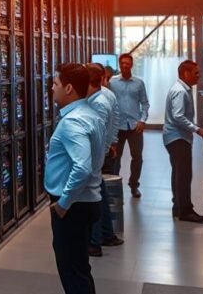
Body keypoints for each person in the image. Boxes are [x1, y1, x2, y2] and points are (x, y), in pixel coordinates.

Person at [45, 63, 105, 294]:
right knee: (79, 268)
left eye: (56, 83)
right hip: (88, 200)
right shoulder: (90, 114)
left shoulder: (73, 122)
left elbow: (82, 167)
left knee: (72, 272)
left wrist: (63, 203)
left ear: (69, 88)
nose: (52, 87)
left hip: (74, 206)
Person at [163, 60, 203, 223]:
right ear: (185, 74)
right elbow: (178, 116)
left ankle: (178, 207)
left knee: (178, 173)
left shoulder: (183, 89)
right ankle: (185, 211)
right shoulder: (180, 91)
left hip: (176, 136)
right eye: (196, 73)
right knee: (184, 175)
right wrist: (198, 130)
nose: (198, 76)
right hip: (177, 137)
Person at [86, 64, 123, 257]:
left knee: (94, 197)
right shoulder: (106, 96)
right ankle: (108, 234)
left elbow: (96, 132)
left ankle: (95, 241)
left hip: (95, 155)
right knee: (100, 192)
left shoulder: (99, 102)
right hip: (102, 152)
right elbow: (115, 120)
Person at [108, 53, 149, 198]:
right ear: (119, 65)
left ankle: (134, 185)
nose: (125, 66)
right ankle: (114, 185)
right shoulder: (112, 82)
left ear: (131, 65)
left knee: (137, 157)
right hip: (117, 126)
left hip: (134, 126)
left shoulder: (139, 83)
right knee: (115, 157)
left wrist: (142, 120)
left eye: (127, 63)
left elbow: (145, 103)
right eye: (122, 63)